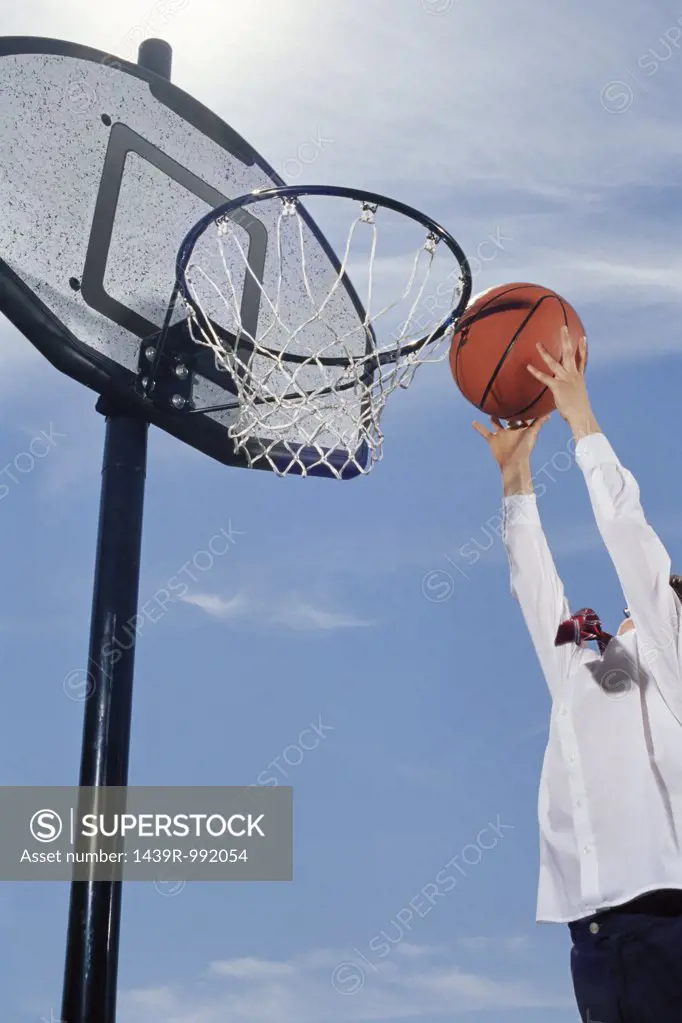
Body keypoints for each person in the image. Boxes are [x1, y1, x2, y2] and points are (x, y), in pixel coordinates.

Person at [473, 329, 682, 1023]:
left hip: (669, 922)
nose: (628, 611)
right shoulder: (591, 673)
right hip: (592, 936)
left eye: (644, 605)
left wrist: (582, 421)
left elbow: (631, 539)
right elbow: (539, 595)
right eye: (626, 609)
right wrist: (515, 478)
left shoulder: (668, 664)